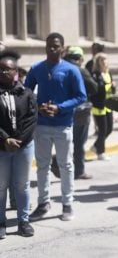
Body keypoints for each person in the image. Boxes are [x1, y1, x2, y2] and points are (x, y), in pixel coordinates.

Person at [25, 32, 87, 222]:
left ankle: (67, 203)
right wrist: (39, 107)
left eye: (56, 45)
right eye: (49, 45)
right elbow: (26, 94)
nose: (52, 48)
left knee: (66, 165)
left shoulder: (71, 70)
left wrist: (59, 108)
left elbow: (81, 96)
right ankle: (43, 203)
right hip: (41, 126)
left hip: (63, 125)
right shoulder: (36, 68)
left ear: (62, 48)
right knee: (42, 166)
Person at [0, 50, 37, 238]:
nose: (4, 73)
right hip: (1, 148)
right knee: (1, 185)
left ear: (16, 72)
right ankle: (1, 222)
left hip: (24, 146)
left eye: (9, 70)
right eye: (1, 69)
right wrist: (5, 139)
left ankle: (24, 221)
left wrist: (19, 140)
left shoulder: (27, 93)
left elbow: (32, 119)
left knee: (21, 185)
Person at [62, 46, 97, 179]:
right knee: (79, 142)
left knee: (63, 142)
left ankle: (63, 168)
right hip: (80, 111)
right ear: (80, 58)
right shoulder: (80, 70)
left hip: (62, 110)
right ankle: (79, 171)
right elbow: (94, 87)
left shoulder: (59, 68)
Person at [90, 53, 115, 161]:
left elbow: (111, 90)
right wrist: (109, 85)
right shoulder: (95, 75)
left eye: (105, 60)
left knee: (109, 128)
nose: (104, 62)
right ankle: (101, 152)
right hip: (99, 106)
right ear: (98, 62)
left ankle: (96, 146)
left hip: (108, 105)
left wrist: (113, 87)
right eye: (102, 60)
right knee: (102, 130)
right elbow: (97, 89)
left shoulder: (108, 73)